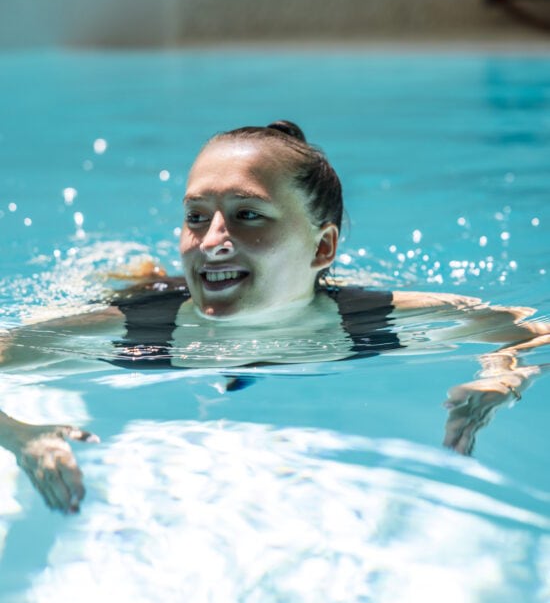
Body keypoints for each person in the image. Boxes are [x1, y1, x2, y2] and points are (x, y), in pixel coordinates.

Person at [1, 121, 548, 513]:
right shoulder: (132, 328)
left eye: (247, 216)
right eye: (196, 217)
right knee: (123, 279)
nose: (212, 242)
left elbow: (529, 331)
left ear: (322, 248)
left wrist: (503, 376)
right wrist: (22, 436)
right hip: (149, 296)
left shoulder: (370, 318)